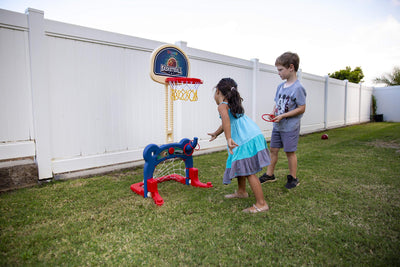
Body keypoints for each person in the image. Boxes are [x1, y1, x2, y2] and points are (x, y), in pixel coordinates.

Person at [208, 78, 271, 213]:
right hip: (252, 135)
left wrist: (228, 138)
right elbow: (226, 122)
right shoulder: (232, 103)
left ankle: (261, 204)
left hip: (245, 140)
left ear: (218, 91)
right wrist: (216, 133)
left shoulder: (222, 106)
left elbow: (226, 121)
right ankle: (242, 192)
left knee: (249, 172)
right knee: (241, 165)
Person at [259, 52, 307, 189]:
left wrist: (284, 116)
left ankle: (293, 178)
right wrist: (273, 113)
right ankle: (269, 175)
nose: (278, 73)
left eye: (280, 70)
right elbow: (277, 103)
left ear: (291, 67)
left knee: (289, 152)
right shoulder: (280, 87)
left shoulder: (298, 88)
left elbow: (302, 108)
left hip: (290, 127)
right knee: (273, 149)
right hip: (278, 125)